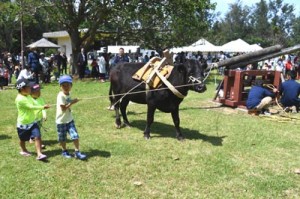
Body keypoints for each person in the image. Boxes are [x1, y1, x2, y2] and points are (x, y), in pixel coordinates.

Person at [15, 78, 50, 160]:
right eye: (28, 87)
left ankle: (39, 154)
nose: (30, 88)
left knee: (37, 136)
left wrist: (43, 106)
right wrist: (43, 107)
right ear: (22, 89)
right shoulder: (20, 99)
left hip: (32, 122)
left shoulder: (28, 96)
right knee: (22, 139)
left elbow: (35, 103)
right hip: (23, 123)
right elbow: (31, 107)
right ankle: (23, 150)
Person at [56, 75, 87, 160]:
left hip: (69, 119)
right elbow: (63, 108)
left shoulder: (68, 93)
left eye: (67, 85)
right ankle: (64, 151)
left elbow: (68, 102)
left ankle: (77, 152)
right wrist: (72, 102)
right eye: (63, 85)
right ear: (60, 86)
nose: (66, 87)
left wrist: (72, 101)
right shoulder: (60, 96)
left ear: (71, 86)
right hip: (61, 121)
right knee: (62, 138)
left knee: (75, 136)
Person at [29, 83, 47, 148]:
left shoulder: (40, 99)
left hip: (39, 118)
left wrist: (44, 115)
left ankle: (33, 138)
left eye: (39, 91)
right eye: (36, 91)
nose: (39, 93)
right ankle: (33, 138)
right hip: (32, 118)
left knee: (38, 129)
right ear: (31, 92)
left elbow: (43, 108)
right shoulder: (29, 100)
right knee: (35, 130)